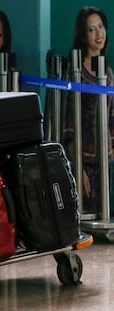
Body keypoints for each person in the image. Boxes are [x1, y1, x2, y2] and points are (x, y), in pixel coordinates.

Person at [63, 7, 114, 214]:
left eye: (100, 26)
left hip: (108, 163)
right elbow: (69, 125)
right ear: (84, 36)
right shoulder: (76, 73)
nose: (98, 33)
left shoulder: (109, 73)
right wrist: (79, 168)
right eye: (92, 29)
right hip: (85, 164)